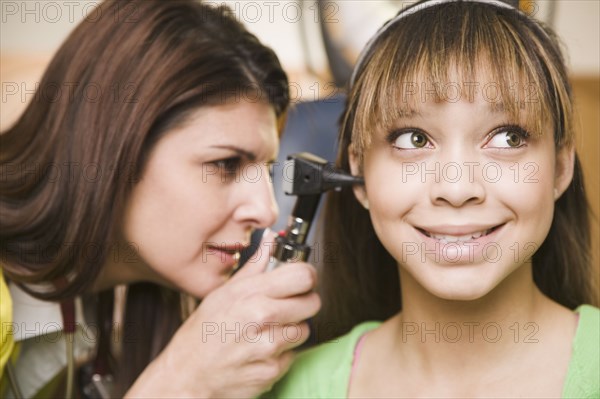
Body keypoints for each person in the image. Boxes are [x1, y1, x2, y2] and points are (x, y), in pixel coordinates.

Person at [264, 0, 600, 397]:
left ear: (561, 168)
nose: (457, 190)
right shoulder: (286, 389)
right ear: (359, 174)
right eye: (413, 139)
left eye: (508, 137)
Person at [0, 0, 321, 397]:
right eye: (224, 164)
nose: (266, 211)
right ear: (111, 149)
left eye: (267, 170)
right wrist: (181, 379)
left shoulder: (84, 314)